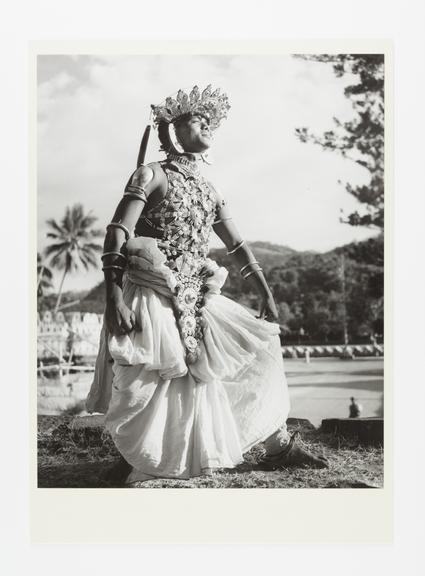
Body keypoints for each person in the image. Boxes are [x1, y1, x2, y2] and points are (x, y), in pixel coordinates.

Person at [86, 85, 328, 484]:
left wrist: (265, 291)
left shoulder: (209, 189)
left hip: (199, 293)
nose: (208, 126)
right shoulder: (151, 175)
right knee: (151, 382)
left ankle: (276, 446)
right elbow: (117, 232)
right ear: (173, 130)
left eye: (210, 121)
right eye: (198, 120)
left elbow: (237, 244)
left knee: (259, 346)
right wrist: (113, 298)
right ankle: (145, 461)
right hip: (151, 291)